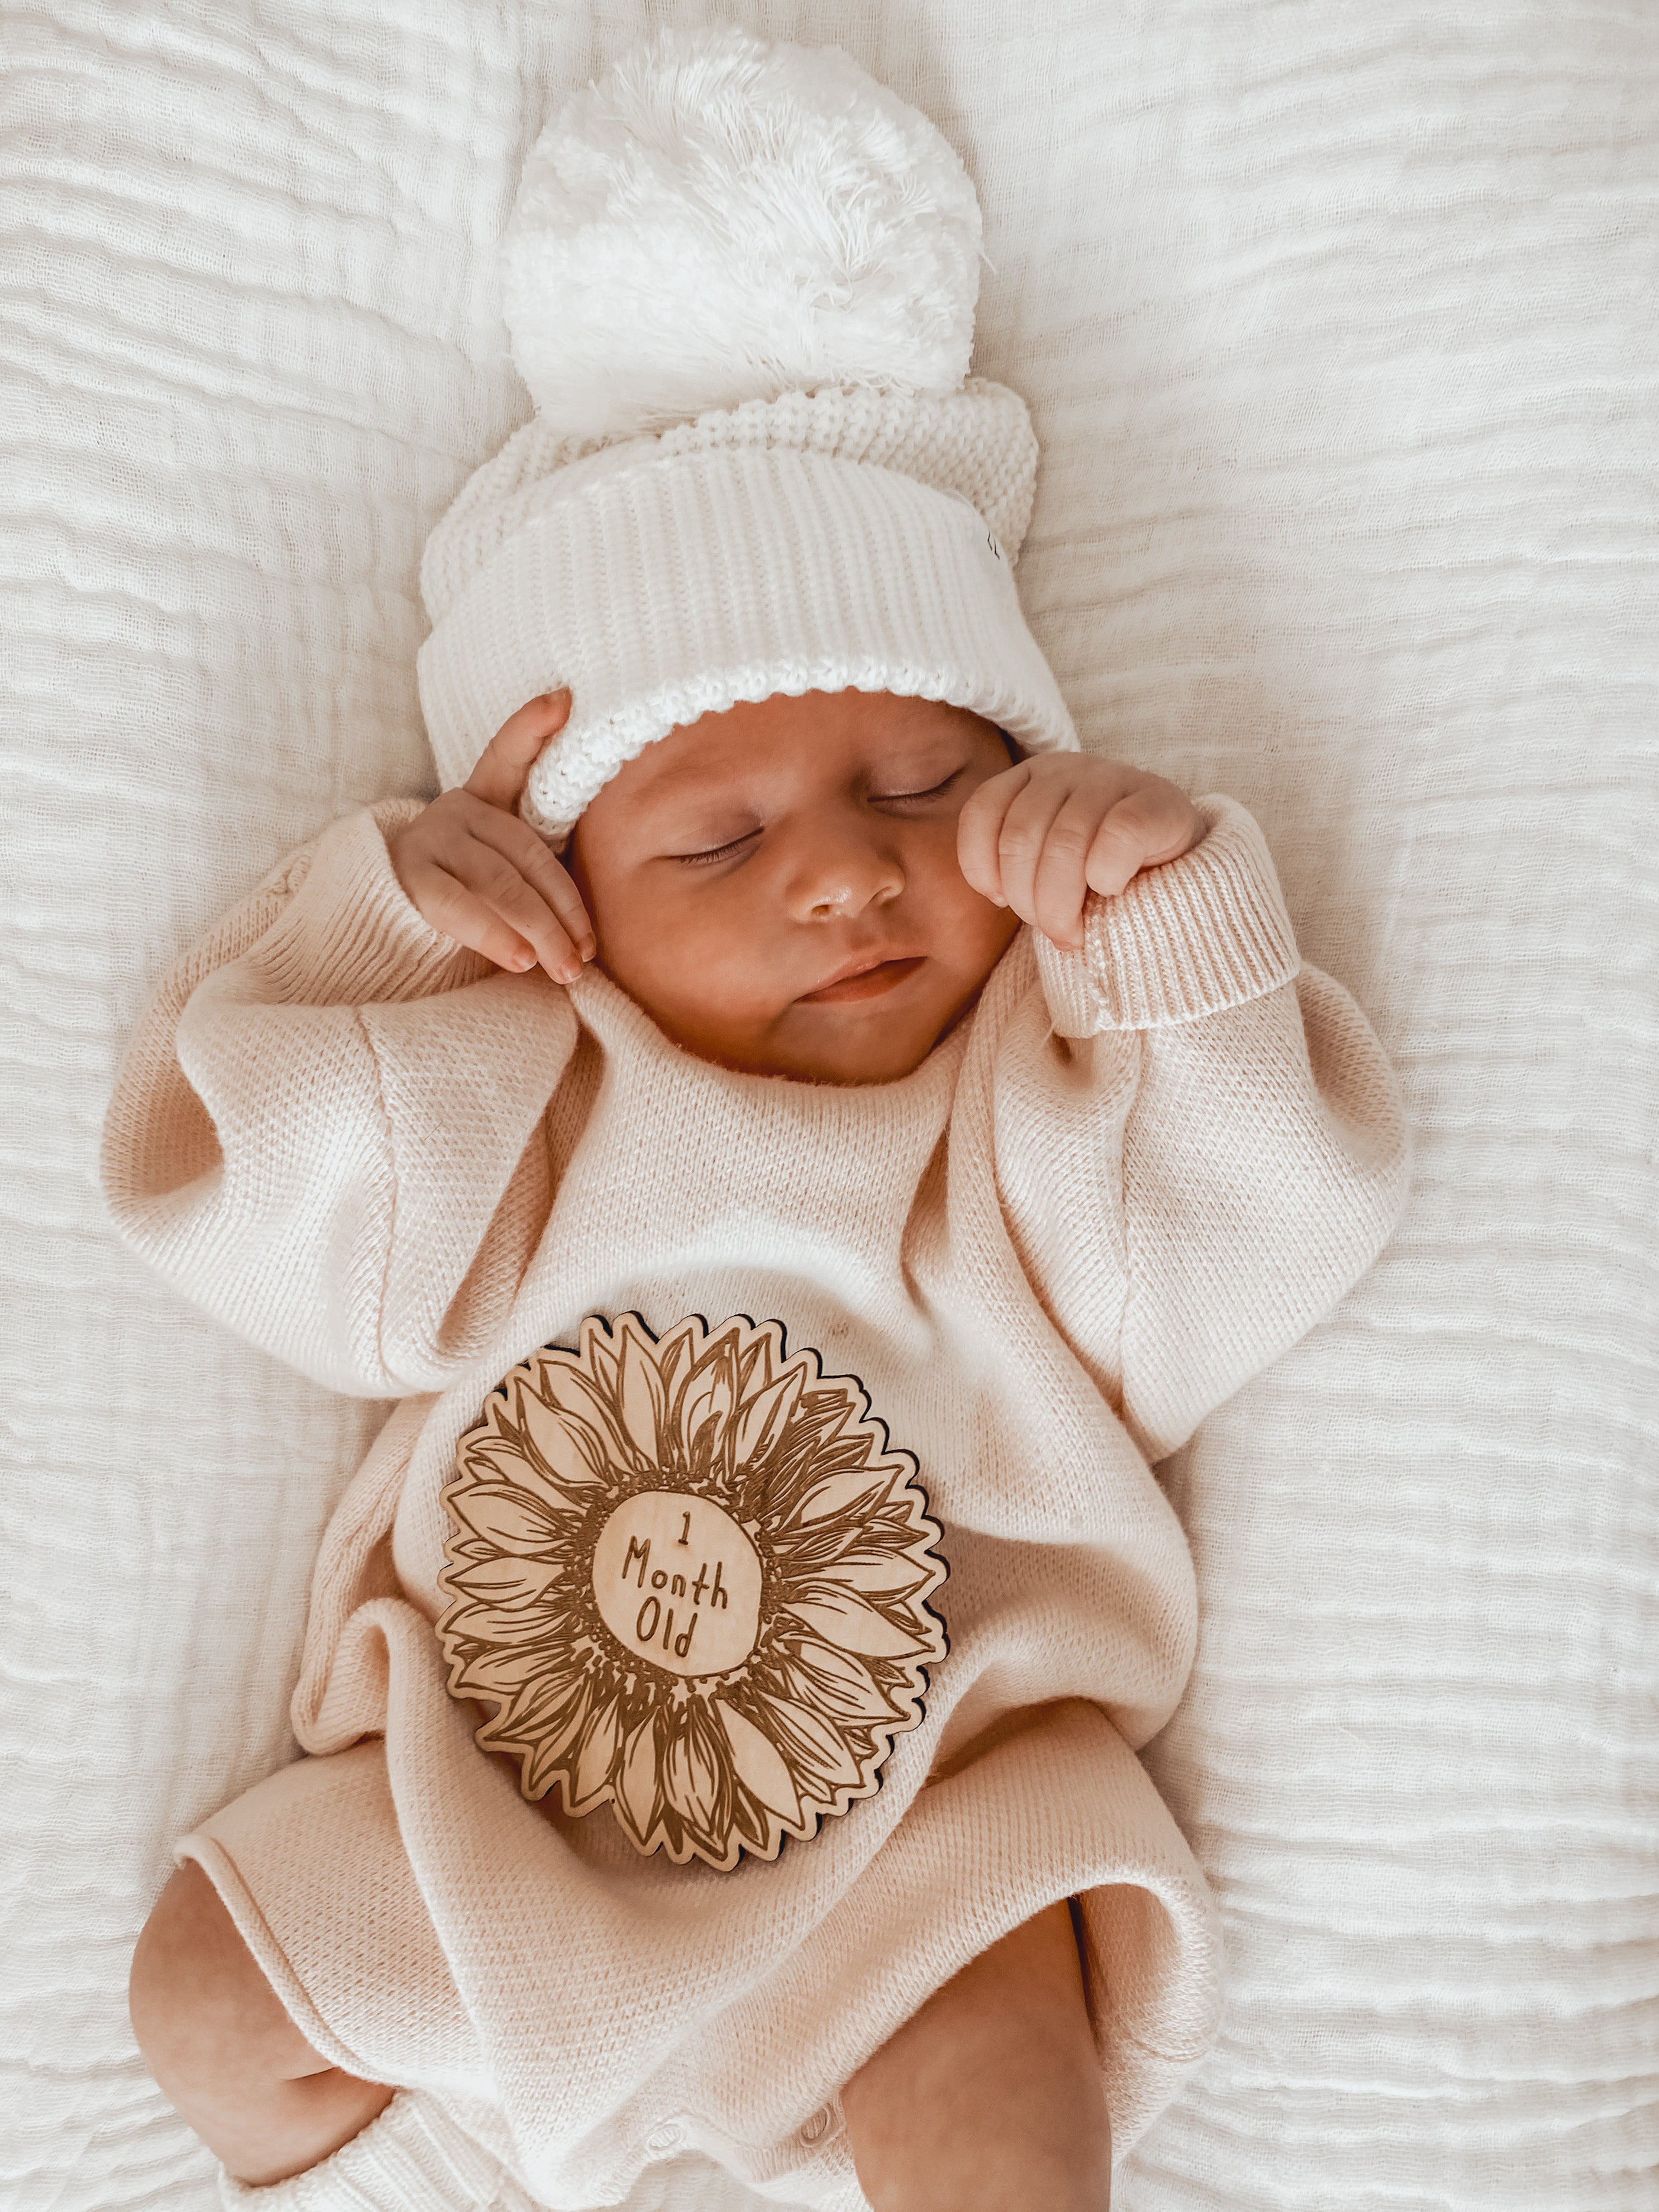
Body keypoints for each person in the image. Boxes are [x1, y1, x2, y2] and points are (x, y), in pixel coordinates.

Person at [104, 27, 1410, 2212]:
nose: (838, 870)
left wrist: (1172, 934)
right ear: (574, 907)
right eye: (710, 840)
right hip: (492, 1794)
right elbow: (251, 1203)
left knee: (1003, 2092)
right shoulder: (525, 1095)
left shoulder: (1024, 1105)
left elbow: (1256, 1229)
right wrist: (389, 934)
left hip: (935, 1808)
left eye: (920, 788)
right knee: (203, 1999)